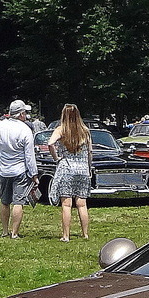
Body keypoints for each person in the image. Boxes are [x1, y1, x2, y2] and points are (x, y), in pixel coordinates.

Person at [0, 99, 38, 238]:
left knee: (4, 202)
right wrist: (34, 174)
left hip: (4, 170)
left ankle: (5, 231)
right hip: (20, 170)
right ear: (21, 114)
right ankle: (15, 233)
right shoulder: (25, 129)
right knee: (18, 202)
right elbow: (29, 155)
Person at [48, 103, 93, 241]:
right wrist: (89, 167)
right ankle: (85, 234)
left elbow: (50, 143)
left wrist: (57, 158)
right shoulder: (85, 130)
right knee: (82, 203)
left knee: (66, 204)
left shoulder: (61, 130)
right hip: (83, 169)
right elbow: (90, 151)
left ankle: (66, 236)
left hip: (67, 168)